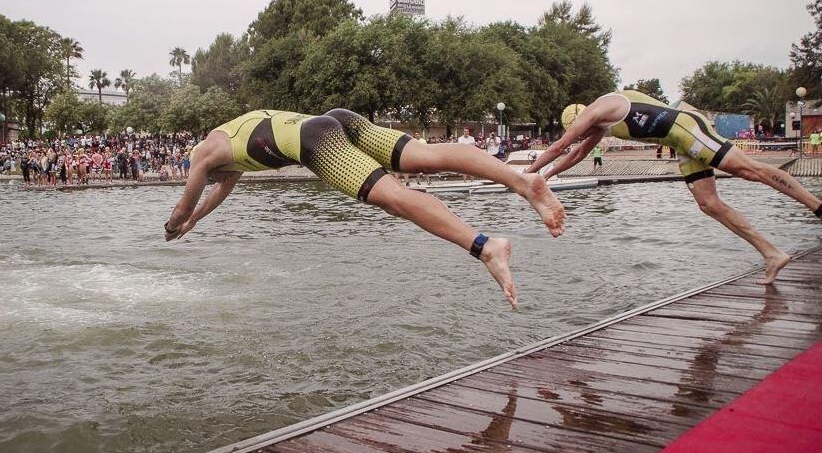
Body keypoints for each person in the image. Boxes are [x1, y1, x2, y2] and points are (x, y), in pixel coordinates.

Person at [165, 108, 566, 308]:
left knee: (394, 199)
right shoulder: (230, 147)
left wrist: (175, 223)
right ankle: (522, 181)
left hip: (317, 143)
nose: (216, 180)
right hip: (336, 119)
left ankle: (485, 246)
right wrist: (196, 222)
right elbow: (218, 192)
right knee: (424, 156)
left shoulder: (203, 152)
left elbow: (187, 199)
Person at [526, 90, 822, 284]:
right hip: (679, 145)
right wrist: (544, 178)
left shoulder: (599, 109)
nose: (589, 135)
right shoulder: (600, 125)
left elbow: (561, 147)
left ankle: (817, 207)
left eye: (584, 130)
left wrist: (525, 174)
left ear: (580, 119)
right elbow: (576, 154)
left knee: (750, 170)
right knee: (709, 204)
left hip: (688, 129)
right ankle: (772, 253)